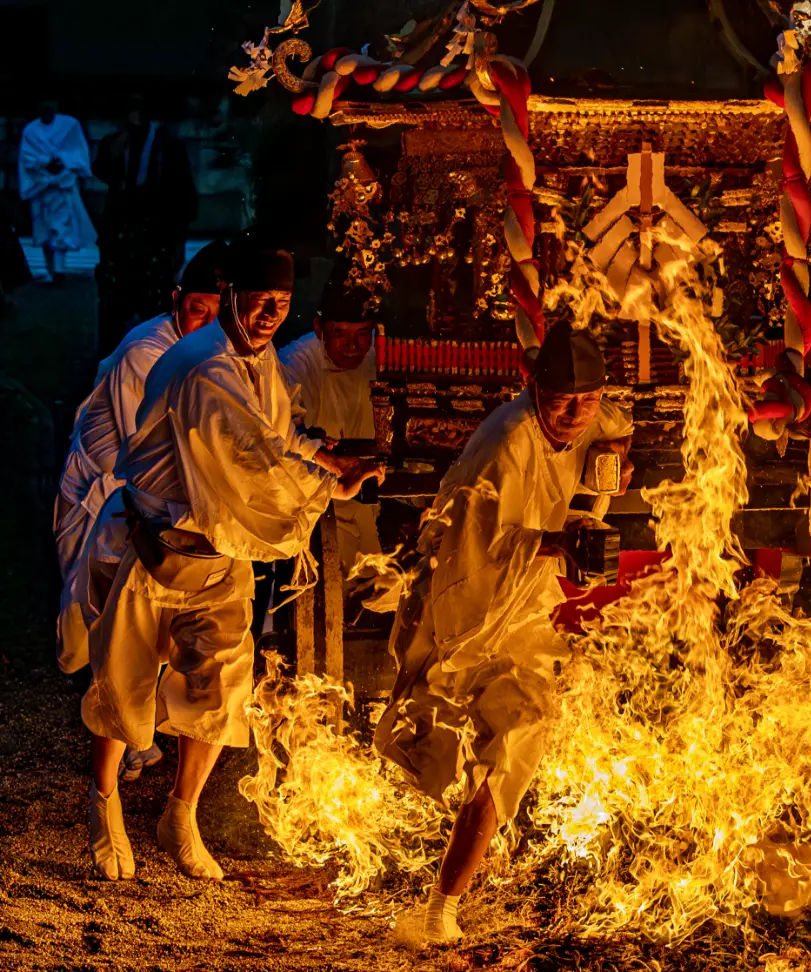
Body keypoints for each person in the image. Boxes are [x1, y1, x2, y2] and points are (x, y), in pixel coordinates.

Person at [79, 243, 383, 882]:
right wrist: (323, 487)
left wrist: (326, 461)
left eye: (283, 304)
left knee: (220, 692)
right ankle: (103, 806)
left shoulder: (258, 354)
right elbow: (249, 463)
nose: (272, 314)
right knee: (121, 688)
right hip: (154, 545)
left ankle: (180, 814)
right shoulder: (204, 367)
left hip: (219, 556)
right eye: (261, 300)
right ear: (234, 296)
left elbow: (273, 433)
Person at [375, 319, 633, 944]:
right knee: (451, 743)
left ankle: (442, 907)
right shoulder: (506, 444)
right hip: (462, 612)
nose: (575, 415)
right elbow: (473, 549)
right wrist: (556, 538)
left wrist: (615, 462)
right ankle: (444, 881)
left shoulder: (593, 416)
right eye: (562, 399)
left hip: (522, 610)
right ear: (531, 386)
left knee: (516, 735)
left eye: (588, 399)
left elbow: (617, 425)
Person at [55, 242, 229, 782]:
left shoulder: (227, 351)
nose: (208, 321)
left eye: (221, 310)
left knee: (162, 623)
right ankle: (120, 743)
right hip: (112, 492)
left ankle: (145, 730)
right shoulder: (145, 352)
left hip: (170, 501)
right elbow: (144, 449)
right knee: (110, 622)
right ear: (177, 300)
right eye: (199, 308)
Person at [278, 270, 381, 578]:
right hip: (322, 496)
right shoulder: (295, 364)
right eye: (340, 334)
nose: (352, 346)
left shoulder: (381, 355)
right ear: (319, 328)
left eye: (362, 334)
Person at [95, 95, 198, 356]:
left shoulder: (166, 144)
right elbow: (103, 169)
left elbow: (181, 189)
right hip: (124, 228)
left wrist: (176, 235)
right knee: (117, 296)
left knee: (155, 294)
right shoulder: (120, 142)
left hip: (156, 229)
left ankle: (154, 348)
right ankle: (116, 350)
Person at [18, 101, 97, 284]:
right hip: (40, 188)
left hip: (61, 187)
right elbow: (27, 158)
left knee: (61, 227)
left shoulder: (69, 126)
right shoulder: (31, 130)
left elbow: (77, 151)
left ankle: (59, 270)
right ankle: (51, 268)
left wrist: (63, 164)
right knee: (44, 229)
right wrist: (45, 164)